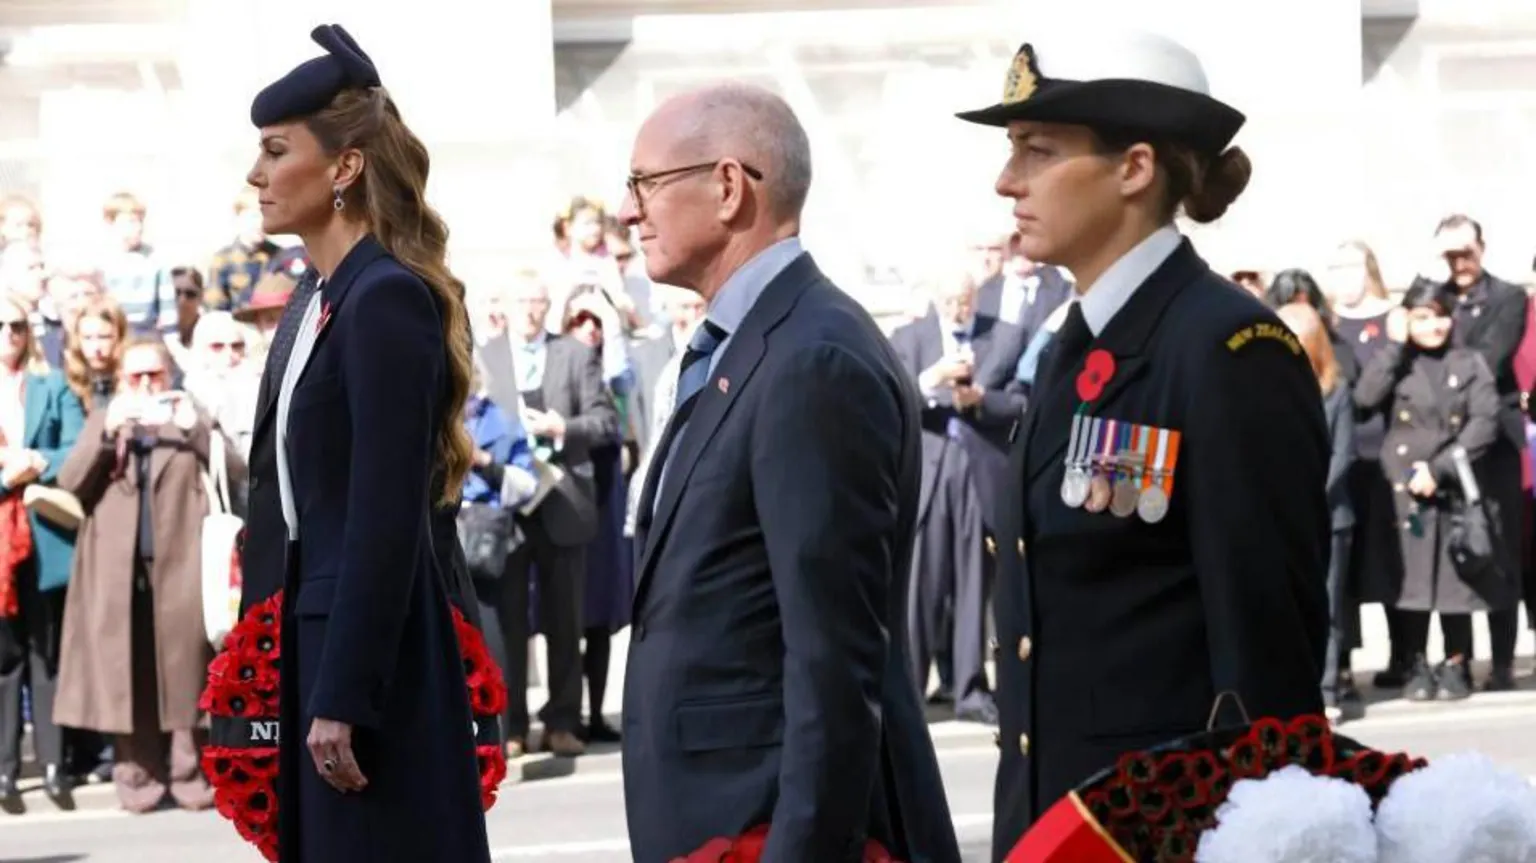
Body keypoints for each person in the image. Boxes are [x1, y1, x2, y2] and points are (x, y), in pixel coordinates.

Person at [954, 30, 1330, 858]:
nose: (1006, 180)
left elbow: (1268, 648)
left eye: (1037, 150)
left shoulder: (1230, 349)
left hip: (1164, 834)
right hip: (1060, 824)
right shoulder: (1076, 341)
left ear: (1135, 168)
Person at [617, 82, 961, 863]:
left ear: (729, 186)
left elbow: (832, 659)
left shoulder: (813, 358)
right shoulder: (753, 344)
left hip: (769, 824)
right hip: (719, 812)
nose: (629, 211)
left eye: (645, 183)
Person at [242, 24, 490, 862]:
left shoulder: (384, 298)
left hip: (368, 668)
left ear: (344, 167)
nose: (256, 174)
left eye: (277, 151)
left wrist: (345, 690)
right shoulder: (319, 298)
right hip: (321, 651)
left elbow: (385, 515)